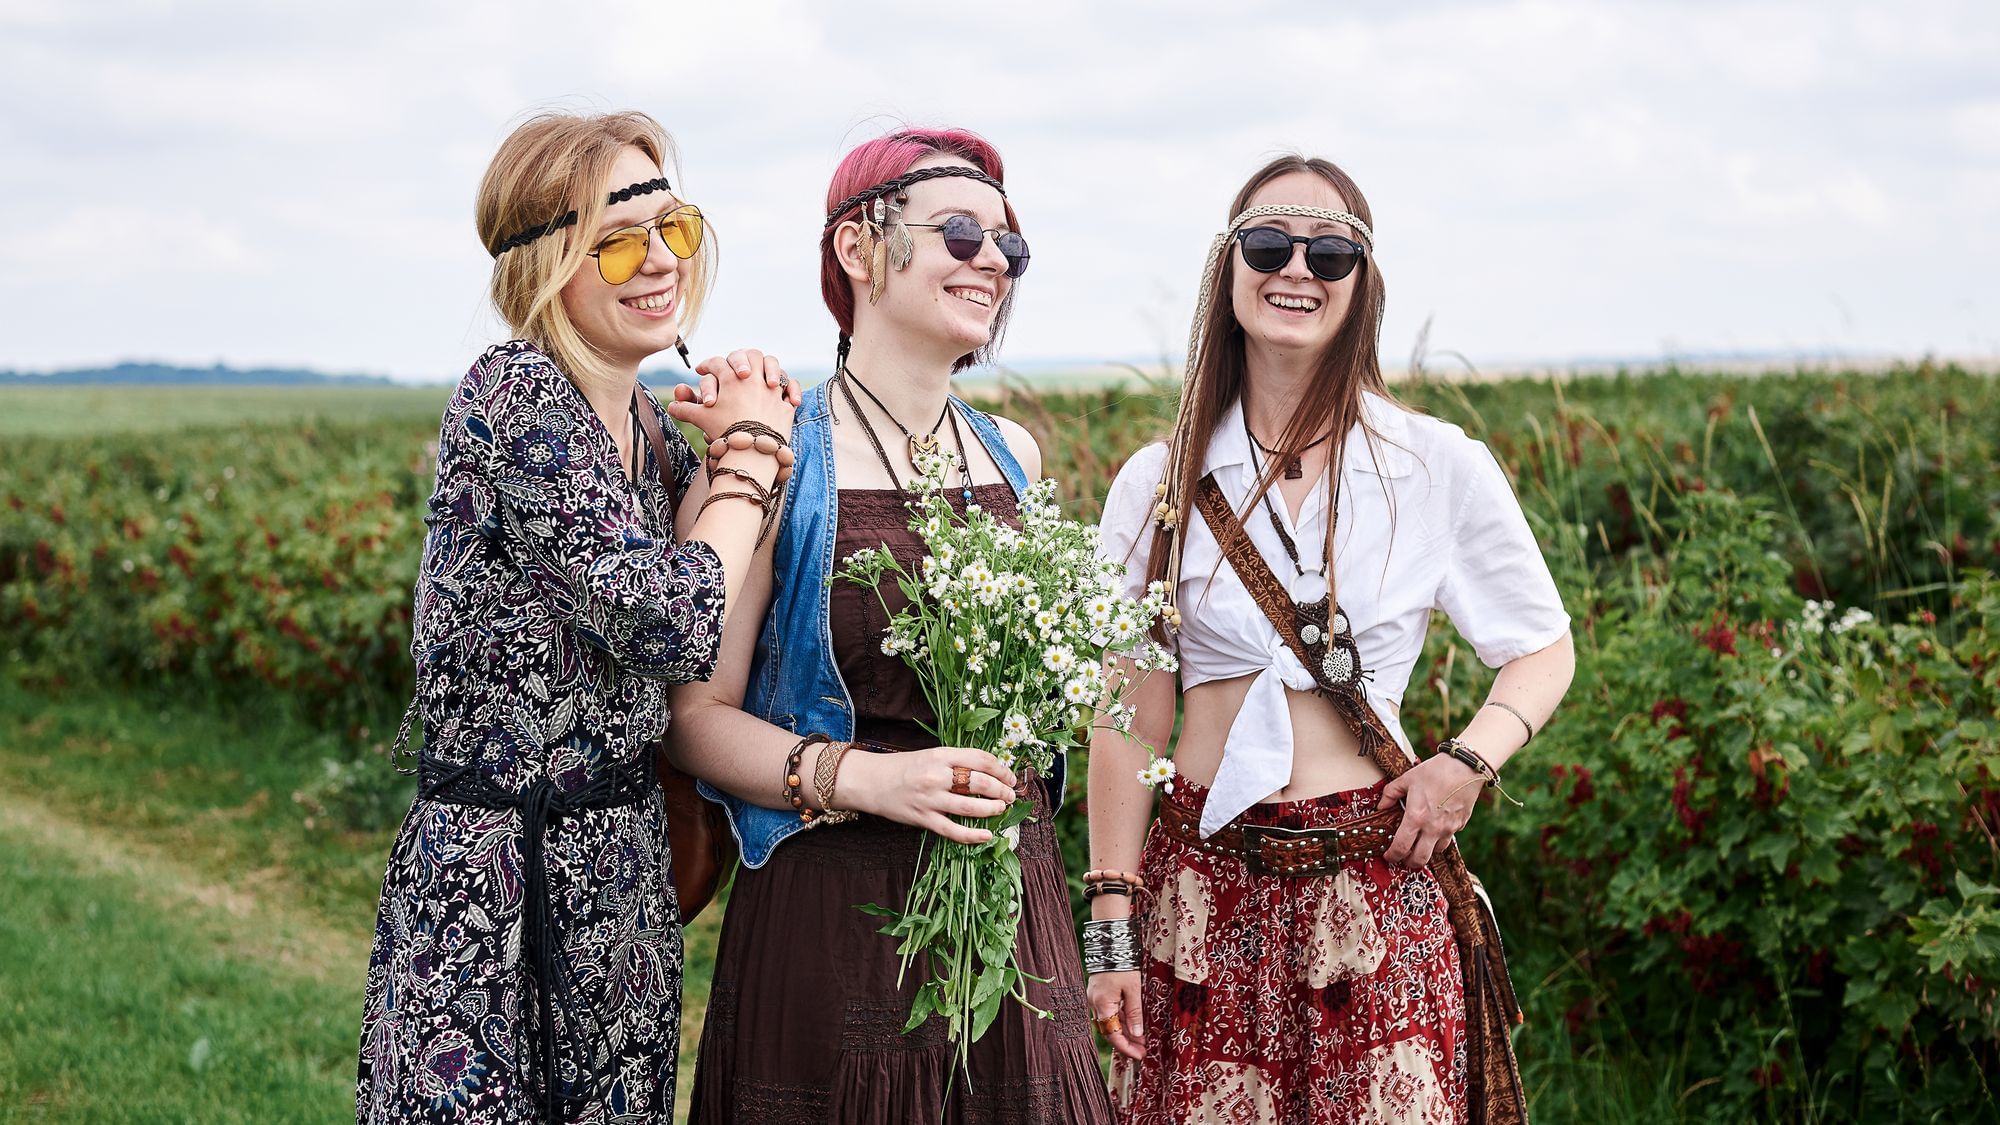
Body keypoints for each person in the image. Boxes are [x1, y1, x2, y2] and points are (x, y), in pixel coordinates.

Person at [1086, 155, 1576, 1124]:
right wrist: (1111, 917)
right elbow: (1126, 712)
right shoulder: (1159, 478)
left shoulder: (1432, 462)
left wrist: (1467, 761)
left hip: (1371, 883)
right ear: (1225, 273)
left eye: (1330, 251)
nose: (1295, 267)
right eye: (1267, 243)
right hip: (1196, 891)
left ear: (1362, 285)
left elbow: (1540, 646)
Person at [356, 109, 798, 1124]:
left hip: (622, 869)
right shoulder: (515, 396)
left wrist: (734, 429)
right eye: (617, 240)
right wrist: (748, 460)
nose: (658, 263)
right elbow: (662, 618)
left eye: (674, 231)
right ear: (546, 259)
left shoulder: (652, 427)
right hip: (492, 882)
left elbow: (717, 604)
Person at [669, 127, 1114, 1124]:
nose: (992, 259)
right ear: (858, 249)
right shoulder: (778, 453)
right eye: (959, 232)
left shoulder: (1015, 461)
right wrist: (863, 778)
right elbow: (692, 717)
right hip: (829, 912)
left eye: (1011, 245)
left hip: (1005, 917)